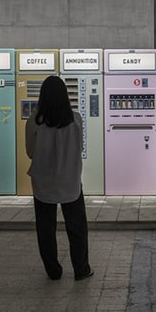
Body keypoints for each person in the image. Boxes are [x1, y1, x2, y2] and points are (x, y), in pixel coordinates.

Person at [25, 75, 93, 281]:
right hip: (70, 182)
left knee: (45, 230)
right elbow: (79, 148)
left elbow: (30, 152)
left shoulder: (34, 121)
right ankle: (81, 269)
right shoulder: (75, 119)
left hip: (43, 183)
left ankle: (53, 271)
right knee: (77, 228)